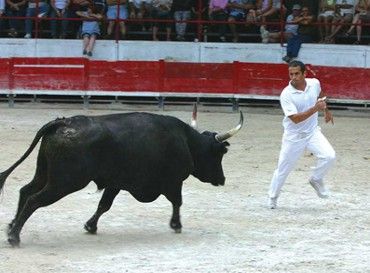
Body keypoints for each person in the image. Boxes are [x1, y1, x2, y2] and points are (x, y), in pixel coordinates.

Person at [268, 60, 336, 209]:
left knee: (329, 156)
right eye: (291, 74)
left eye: (297, 73)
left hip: (312, 132)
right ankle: (272, 197)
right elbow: (295, 119)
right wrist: (315, 109)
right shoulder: (286, 94)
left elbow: (321, 95)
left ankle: (316, 179)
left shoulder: (314, 83)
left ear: (305, 73)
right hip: (294, 137)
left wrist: (326, 110)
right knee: (283, 169)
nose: (293, 77)